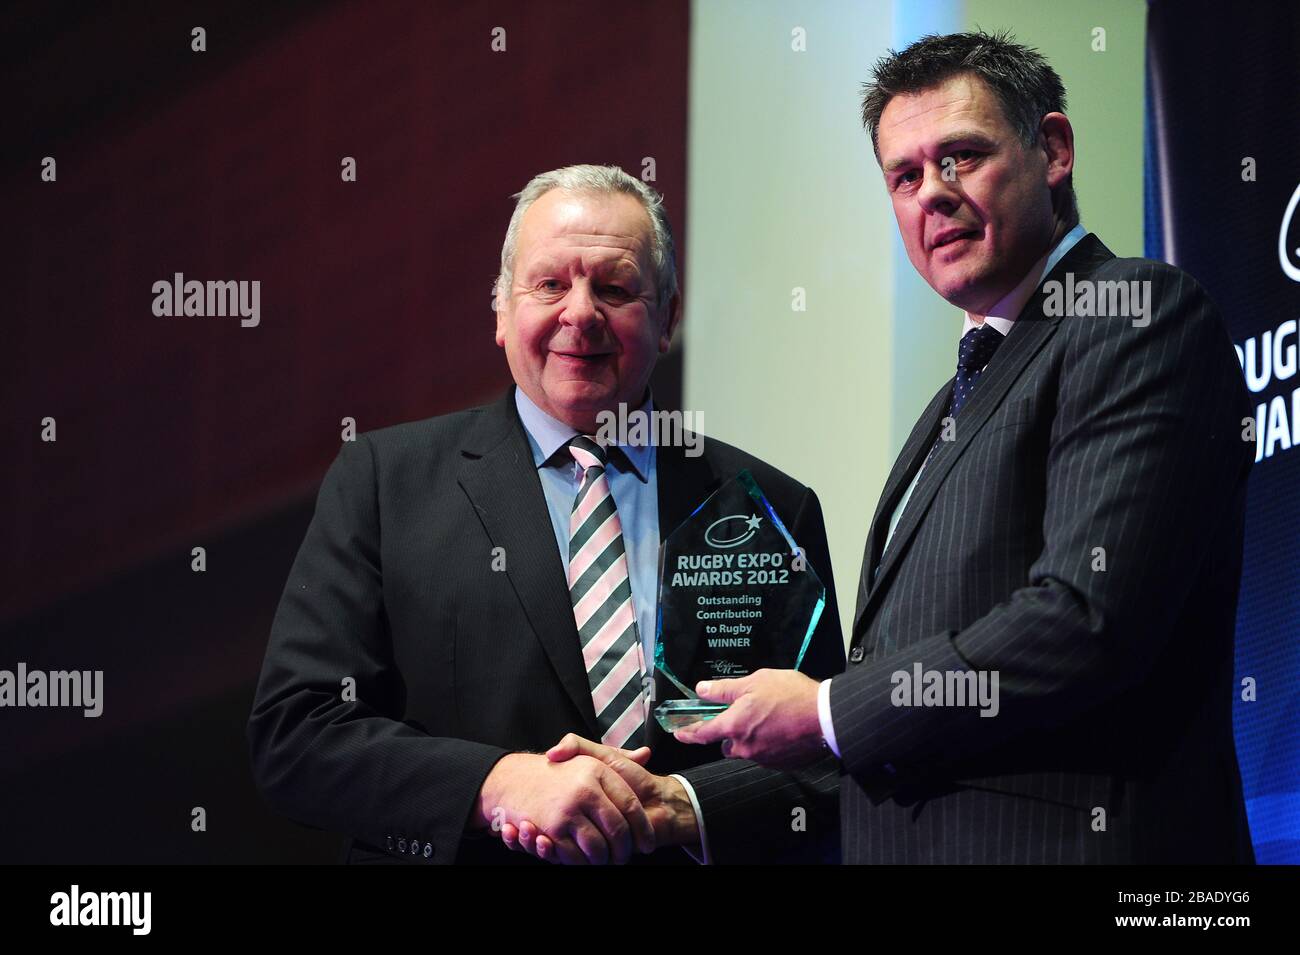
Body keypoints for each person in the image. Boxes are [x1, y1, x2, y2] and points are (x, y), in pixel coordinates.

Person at [676, 31, 1255, 864]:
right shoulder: (953, 399)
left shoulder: (1131, 314)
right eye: (904, 176)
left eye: (961, 157)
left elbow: (1084, 622)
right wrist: (672, 801)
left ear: (1053, 149)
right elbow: (893, 722)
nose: (931, 196)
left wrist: (829, 708)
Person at [247, 164, 844, 865]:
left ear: (669, 316)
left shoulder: (771, 505)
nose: (581, 312)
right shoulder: (384, 484)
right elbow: (297, 734)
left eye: (615, 287)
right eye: (550, 284)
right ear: (501, 310)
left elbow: (826, 761)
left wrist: (686, 806)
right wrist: (497, 783)